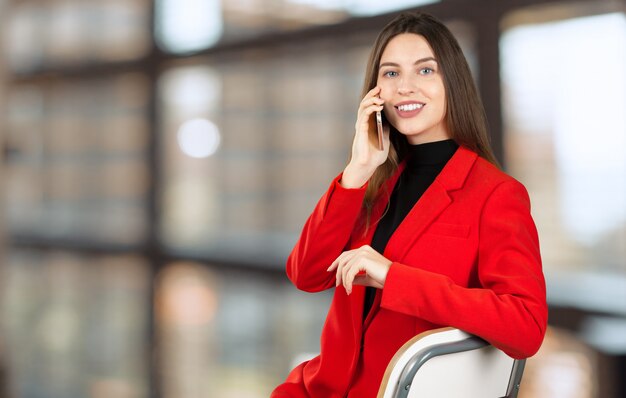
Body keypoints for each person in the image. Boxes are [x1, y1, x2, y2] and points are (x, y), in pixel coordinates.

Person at [271, 11, 547, 398]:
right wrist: (358, 169)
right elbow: (307, 273)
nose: (405, 87)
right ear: (375, 91)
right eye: (390, 73)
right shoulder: (375, 182)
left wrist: (393, 276)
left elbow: (525, 325)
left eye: (425, 71)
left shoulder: (496, 193)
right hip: (321, 388)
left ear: (452, 82)